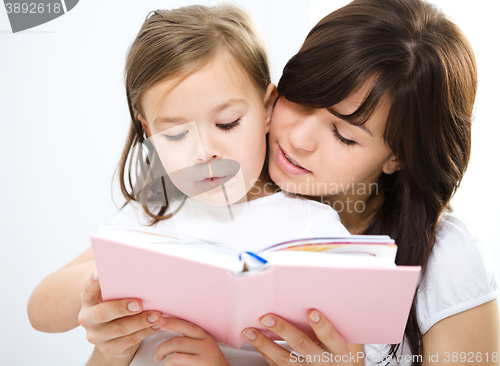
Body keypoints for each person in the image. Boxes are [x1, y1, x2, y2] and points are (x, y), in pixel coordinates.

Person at [26, 4, 353, 366]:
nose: (205, 152)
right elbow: (40, 310)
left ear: (267, 109)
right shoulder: (154, 214)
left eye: (227, 123)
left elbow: (346, 354)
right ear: (149, 133)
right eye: (176, 134)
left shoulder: (311, 228)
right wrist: (105, 278)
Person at [237, 0, 499, 365]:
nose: (298, 139)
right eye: (299, 98)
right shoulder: (221, 200)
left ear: (398, 157)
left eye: (343, 135)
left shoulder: (446, 261)